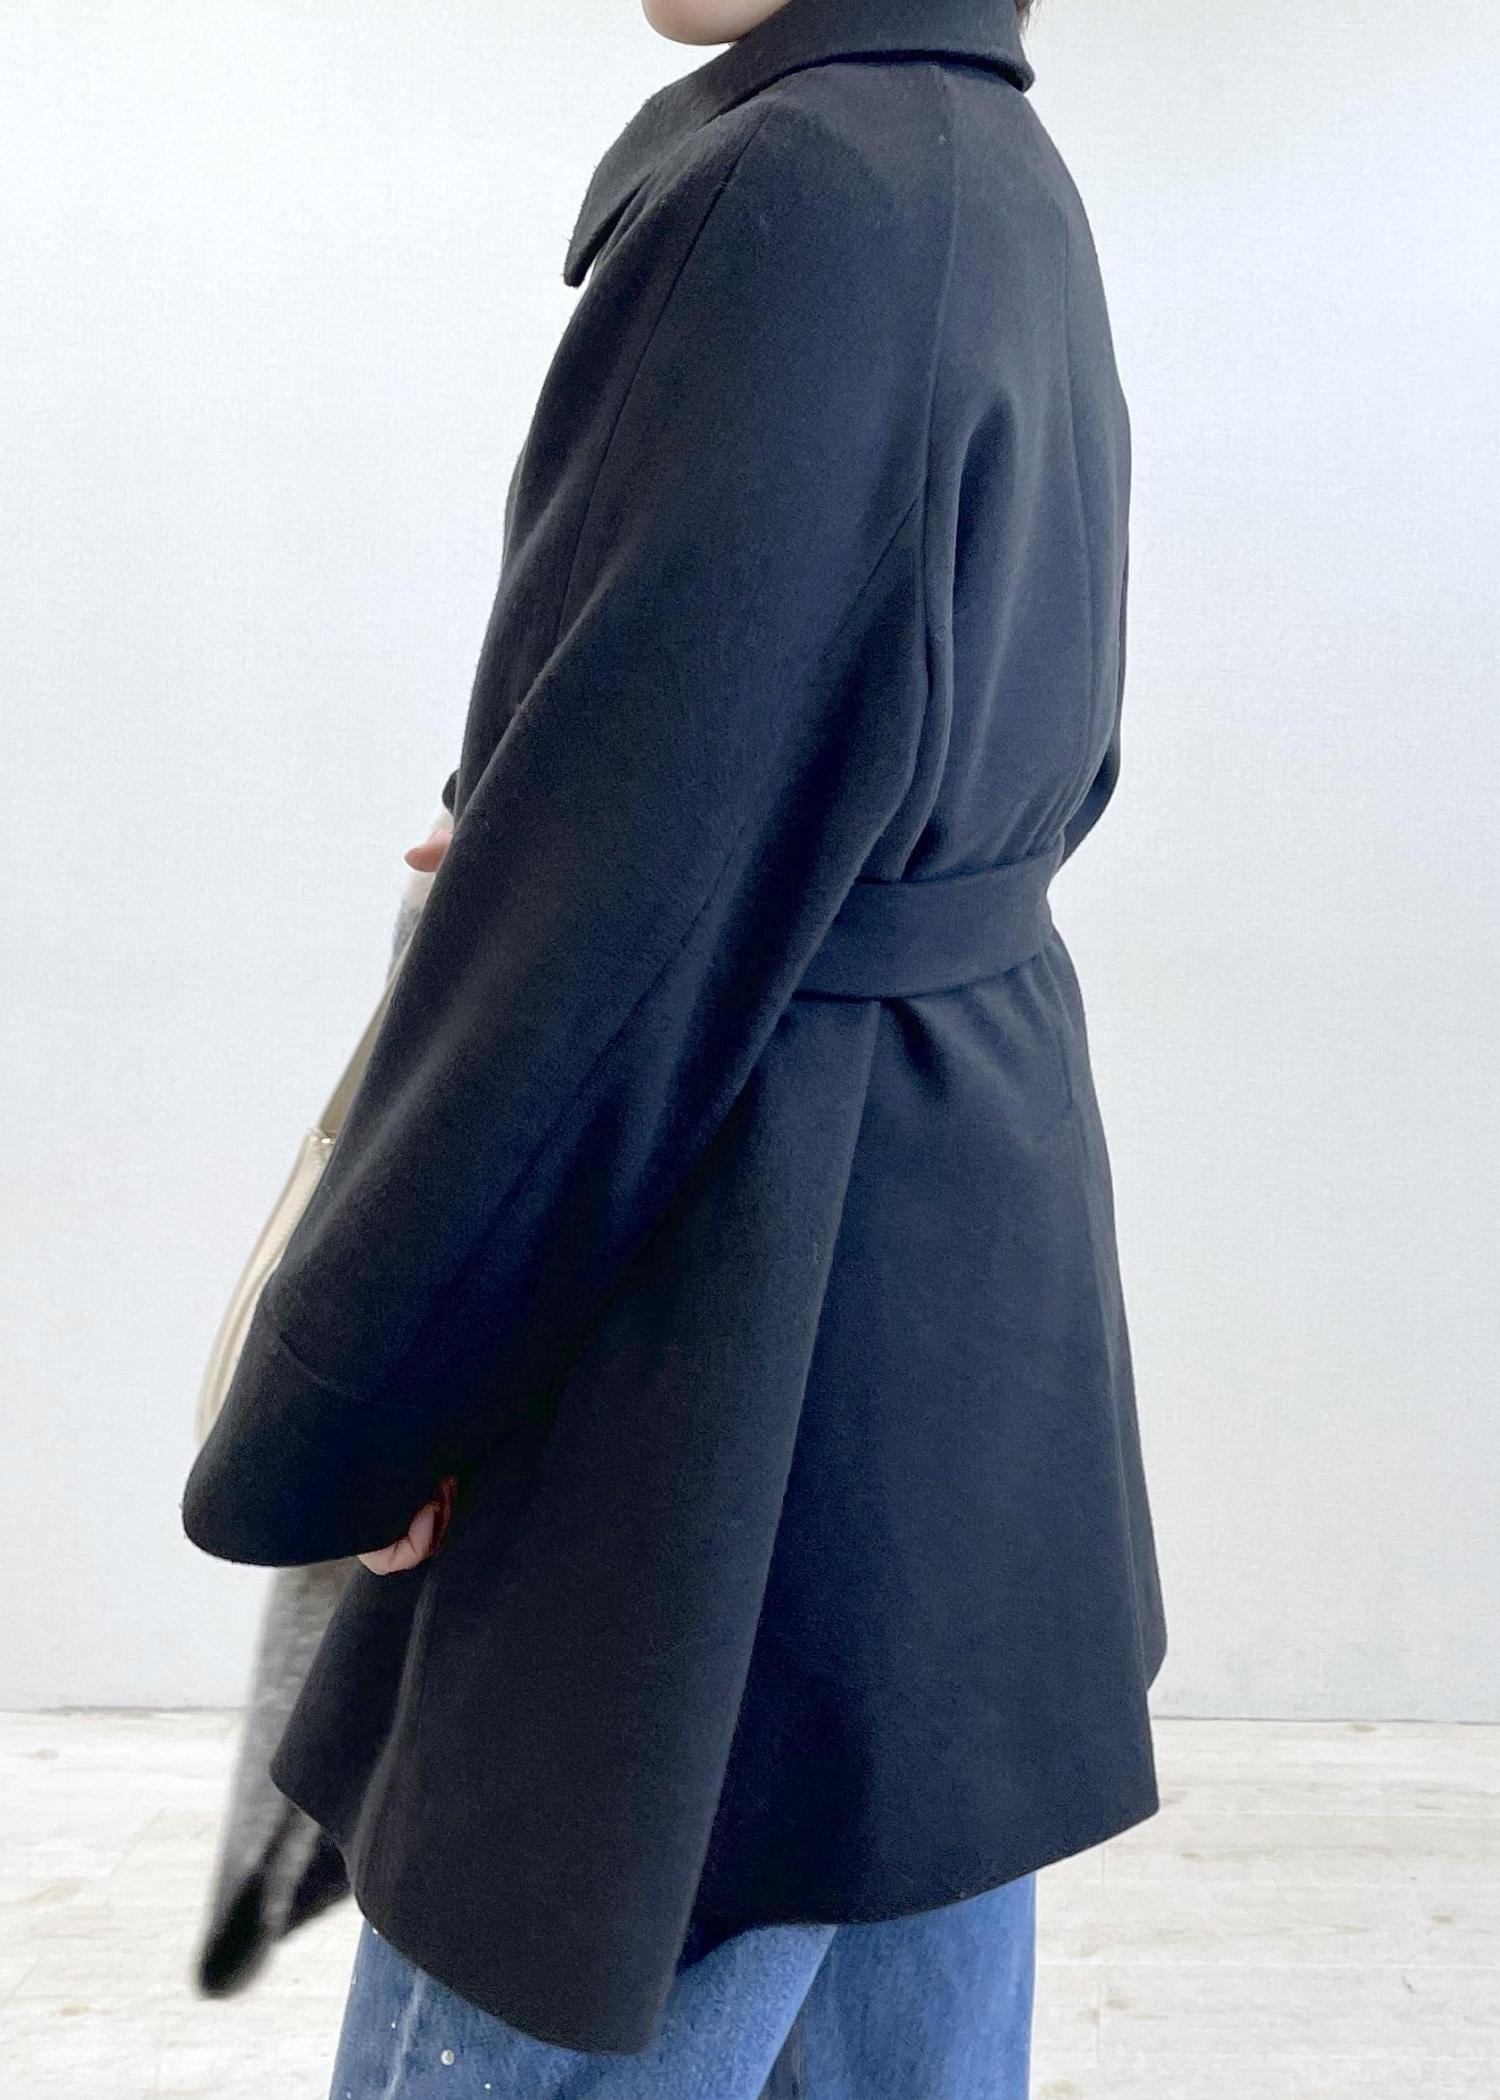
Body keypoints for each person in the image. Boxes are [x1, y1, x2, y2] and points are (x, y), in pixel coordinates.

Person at [181, 0, 1166, 2091]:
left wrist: (374, 1398)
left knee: (559, 1960)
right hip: (939, 1290)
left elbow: (602, 944)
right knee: (894, 1958)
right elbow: (980, 755)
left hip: (723, 1322)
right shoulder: (995, 168)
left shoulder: (793, 188)